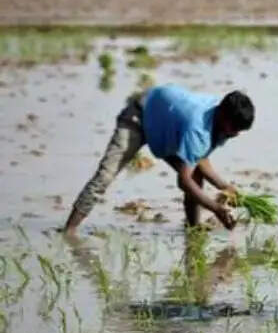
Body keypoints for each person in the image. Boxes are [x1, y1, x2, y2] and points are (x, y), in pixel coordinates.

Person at [63, 85, 254, 235]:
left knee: (196, 175)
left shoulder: (220, 120)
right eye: (234, 128)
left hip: (165, 128)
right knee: (105, 175)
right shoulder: (198, 127)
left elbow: (199, 157)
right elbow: (184, 180)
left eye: (240, 130)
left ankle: (193, 230)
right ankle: (69, 231)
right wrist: (216, 209)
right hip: (139, 117)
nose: (236, 134)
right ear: (223, 115)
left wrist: (225, 187)